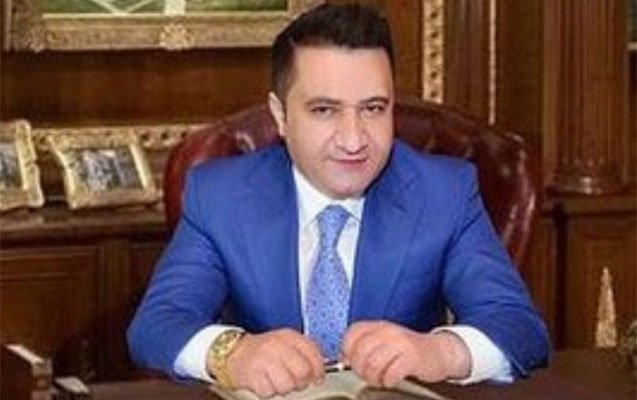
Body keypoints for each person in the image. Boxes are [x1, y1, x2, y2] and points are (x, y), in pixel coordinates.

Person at [128, 3, 549, 398]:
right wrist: (231, 353)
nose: (353, 140)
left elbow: (521, 330)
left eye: (373, 108)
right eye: (325, 110)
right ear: (280, 115)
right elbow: (156, 325)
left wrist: (440, 352)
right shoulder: (221, 195)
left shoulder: (445, 192)